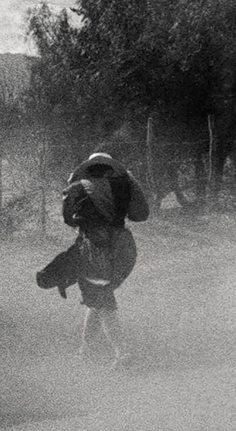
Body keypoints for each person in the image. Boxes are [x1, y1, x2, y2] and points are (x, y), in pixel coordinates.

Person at [35, 151, 150, 365]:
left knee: (103, 302)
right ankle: (85, 351)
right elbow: (141, 215)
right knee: (97, 299)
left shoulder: (77, 187)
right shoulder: (126, 184)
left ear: (88, 167)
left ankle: (122, 353)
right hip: (123, 249)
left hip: (93, 251)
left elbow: (69, 220)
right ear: (111, 166)